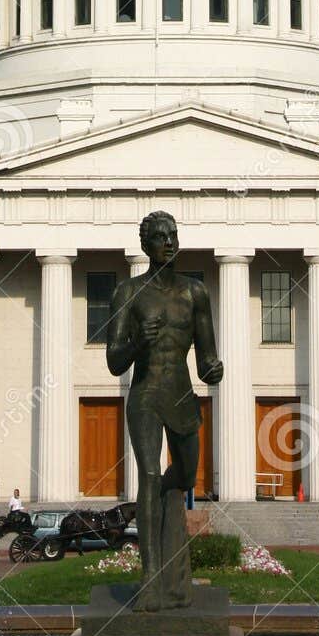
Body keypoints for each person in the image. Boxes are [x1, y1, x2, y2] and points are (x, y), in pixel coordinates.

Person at [107, 210, 223, 611]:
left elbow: (207, 356)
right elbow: (114, 361)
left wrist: (213, 368)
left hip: (180, 395)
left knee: (184, 478)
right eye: (160, 236)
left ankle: (167, 550)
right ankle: (151, 579)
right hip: (145, 395)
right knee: (151, 474)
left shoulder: (196, 293)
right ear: (146, 246)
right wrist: (138, 341)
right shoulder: (129, 293)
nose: (169, 241)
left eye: (173, 235)